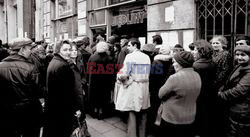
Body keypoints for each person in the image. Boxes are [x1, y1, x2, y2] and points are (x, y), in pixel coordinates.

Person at [0, 37, 43, 137]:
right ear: (22, 50)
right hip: (29, 113)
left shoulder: (0, 66)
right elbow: (38, 91)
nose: (31, 51)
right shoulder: (31, 67)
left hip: (7, 113)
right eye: (29, 48)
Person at [158, 51, 201, 137]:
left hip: (172, 118)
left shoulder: (175, 78)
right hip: (190, 117)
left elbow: (161, 94)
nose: (173, 65)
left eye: (174, 62)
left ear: (181, 63)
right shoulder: (197, 75)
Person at [115, 38, 151, 137]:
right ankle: (142, 134)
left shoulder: (130, 57)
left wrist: (119, 76)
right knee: (143, 113)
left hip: (134, 87)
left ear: (135, 46)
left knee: (132, 113)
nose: (128, 48)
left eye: (130, 45)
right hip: (144, 87)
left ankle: (132, 135)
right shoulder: (146, 57)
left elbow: (124, 74)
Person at [44, 40, 79, 137]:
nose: (68, 52)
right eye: (65, 50)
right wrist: (75, 109)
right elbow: (69, 92)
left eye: (69, 49)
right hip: (62, 109)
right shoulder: (64, 66)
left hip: (54, 107)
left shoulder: (54, 61)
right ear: (58, 51)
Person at [218, 44, 250, 137]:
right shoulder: (240, 66)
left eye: (243, 55)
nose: (239, 57)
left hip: (242, 110)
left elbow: (239, 90)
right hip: (234, 108)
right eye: (237, 54)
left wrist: (221, 95)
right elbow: (229, 81)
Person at [192, 39, 217, 137]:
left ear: (201, 51)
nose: (193, 52)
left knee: (199, 118)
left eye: (195, 50)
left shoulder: (196, 65)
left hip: (199, 95)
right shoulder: (212, 62)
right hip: (210, 93)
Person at [87, 41, 114, 119]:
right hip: (105, 82)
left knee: (95, 97)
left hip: (94, 81)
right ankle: (101, 113)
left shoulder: (92, 57)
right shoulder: (110, 58)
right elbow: (112, 72)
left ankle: (95, 112)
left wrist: (88, 80)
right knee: (104, 97)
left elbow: (88, 70)